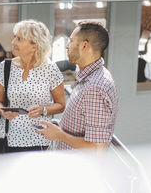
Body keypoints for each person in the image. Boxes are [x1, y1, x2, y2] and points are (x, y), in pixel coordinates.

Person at [37, 22, 119, 152]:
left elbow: (97, 148)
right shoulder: (88, 77)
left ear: (85, 46)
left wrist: (59, 135)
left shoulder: (95, 89)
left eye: (71, 41)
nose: (67, 46)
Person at [0, 20, 65, 152]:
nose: (13, 42)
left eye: (19, 39)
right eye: (15, 37)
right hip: (9, 138)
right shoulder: (5, 67)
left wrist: (43, 110)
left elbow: (61, 104)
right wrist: (3, 112)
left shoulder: (50, 69)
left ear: (35, 45)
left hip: (39, 140)